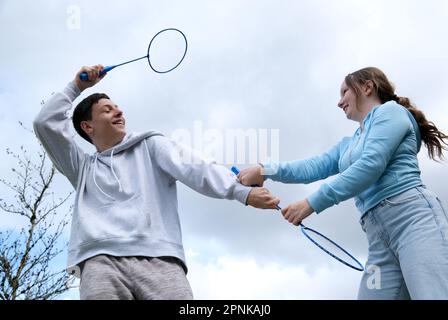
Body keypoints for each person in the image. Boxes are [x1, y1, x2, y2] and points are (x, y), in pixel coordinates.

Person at [33, 65, 280, 300]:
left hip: (161, 260)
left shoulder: (151, 145)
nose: (118, 112)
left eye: (117, 108)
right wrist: (76, 86)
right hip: (100, 263)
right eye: (107, 110)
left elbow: (196, 167)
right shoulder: (82, 167)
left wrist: (241, 192)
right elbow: (45, 123)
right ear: (88, 126)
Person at [238, 67, 448, 300]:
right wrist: (264, 170)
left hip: (413, 221)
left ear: (368, 87)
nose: (339, 102)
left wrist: (311, 203)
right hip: (378, 239)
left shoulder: (391, 112)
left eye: (344, 92)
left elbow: (371, 165)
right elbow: (312, 166)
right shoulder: (349, 144)